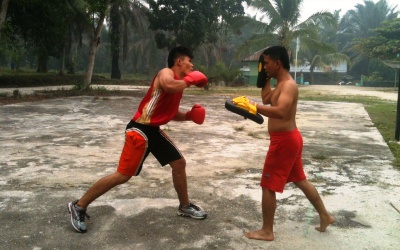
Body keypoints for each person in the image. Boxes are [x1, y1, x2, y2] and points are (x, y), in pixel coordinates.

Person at [68, 46, 209, 233]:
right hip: (139, 130)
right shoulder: (166, 73)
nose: (192, 65)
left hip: (154, 131)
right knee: (123, 175)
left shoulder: (179, 84)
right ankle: (79, 205)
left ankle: (184, 206)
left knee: (179, 163)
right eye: (189, 61)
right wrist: (191, 80)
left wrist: (189, 116)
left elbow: (170, 113)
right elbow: (168, 85)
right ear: (179, 61)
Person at [242, 46, 334, 241]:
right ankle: (325, 216)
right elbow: (267, 99)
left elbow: (281, 111)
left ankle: (267, 231)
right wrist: (263, 78)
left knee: (268, 185)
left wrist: (251, 106)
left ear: (277, 63)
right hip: (288, 140)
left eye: (266, 63)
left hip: (284, 142)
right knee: (300, 180)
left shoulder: (289, 86)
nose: (264, 66)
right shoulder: (280, 84)